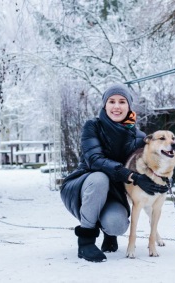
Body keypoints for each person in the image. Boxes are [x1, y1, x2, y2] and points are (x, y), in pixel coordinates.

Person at [60, 83, 169, 262]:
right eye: (111, 101)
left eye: (122, 102)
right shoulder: (93, 126)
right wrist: (131, 176)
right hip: (85, 186)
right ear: (105, 105)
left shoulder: (139, 137)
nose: (116, 106)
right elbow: (94, 160)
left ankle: (109, 234)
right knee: (100, 178)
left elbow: (150, 161)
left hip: (115, 192)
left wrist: (162, 177)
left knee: (117, 225)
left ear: (129, 106)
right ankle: (86, 241)